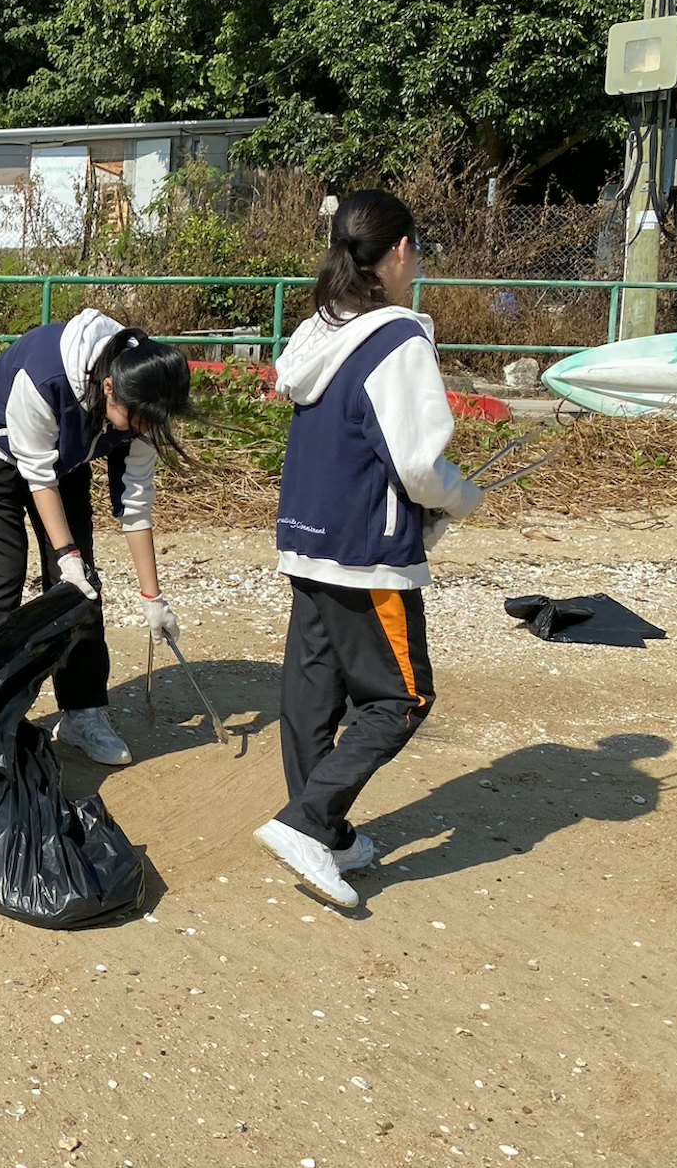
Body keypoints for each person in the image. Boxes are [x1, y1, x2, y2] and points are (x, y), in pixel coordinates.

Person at [254, 189, 484, 908]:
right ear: (400, 252)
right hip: (364, 548)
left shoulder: (319, 330)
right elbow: (417, 465)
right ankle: (307, 820)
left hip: (306, 536)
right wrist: (461, 497)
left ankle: (326, 828)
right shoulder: (399, 338)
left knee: (313, 691)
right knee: (403, 696)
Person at [0, 309, 192, 765]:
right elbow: (35, 473)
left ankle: (84, 713)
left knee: (81, 587)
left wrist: (152, 597)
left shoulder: (141, 398)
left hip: (65, 463)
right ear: (108, 390)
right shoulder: (46, 376)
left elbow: (136, 503)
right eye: (137, 420)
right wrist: (65, 551)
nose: (144, 430)